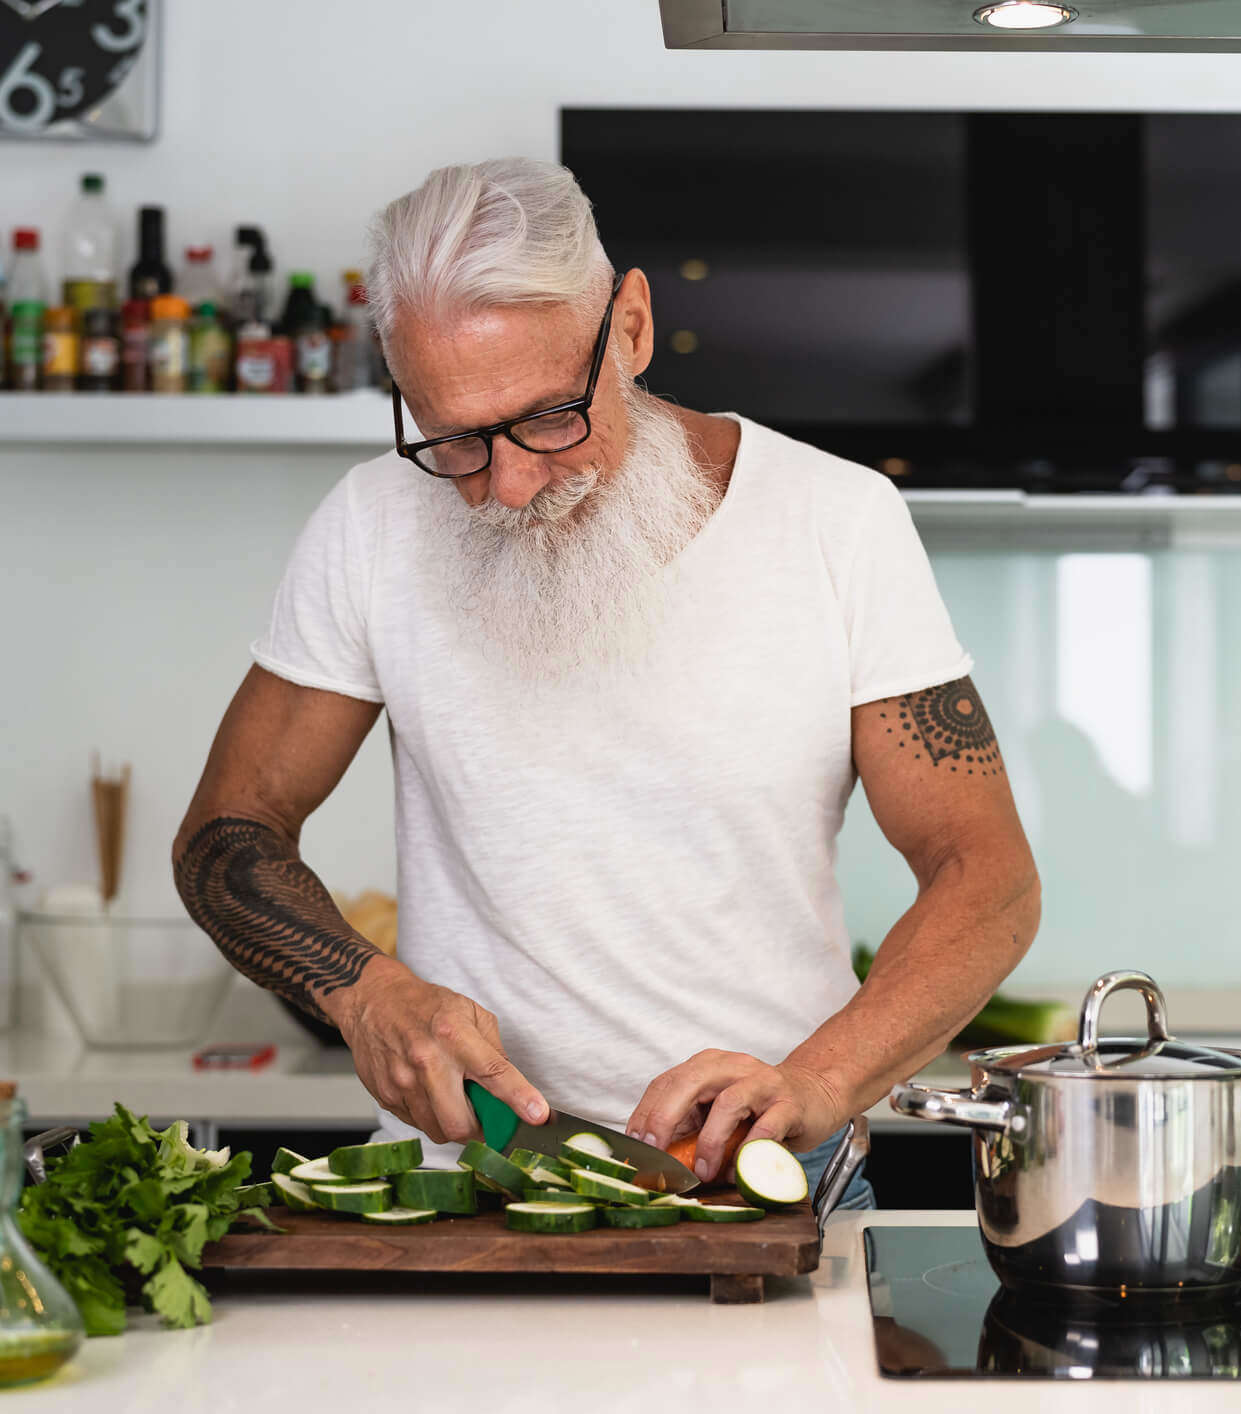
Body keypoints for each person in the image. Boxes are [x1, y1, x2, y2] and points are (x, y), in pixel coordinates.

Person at [172, 158, 1040, 1205]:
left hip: (771, 1182)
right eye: (453, 438)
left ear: (630, 327)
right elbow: (230, 830)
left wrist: (818, 1081)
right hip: (479, 1182)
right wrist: (364, 994)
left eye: (548, 416)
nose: (507, 483)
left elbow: (985, 875)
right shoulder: (370, 525)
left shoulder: (835, 521)